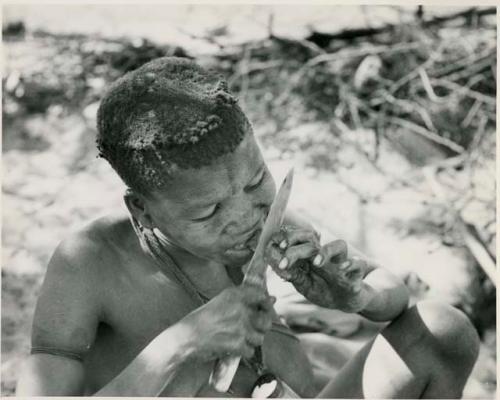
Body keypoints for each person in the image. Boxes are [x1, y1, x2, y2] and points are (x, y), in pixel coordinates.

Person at [16, 57, 479, 398]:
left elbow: (391, 292)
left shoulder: (269, 221)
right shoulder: (91, 263)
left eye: (258, 180)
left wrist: (356, 296)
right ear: (143, 211)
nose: (242, 219)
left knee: (443, 332)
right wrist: (180, 346)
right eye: (207, 212)